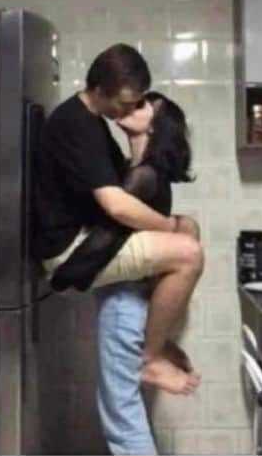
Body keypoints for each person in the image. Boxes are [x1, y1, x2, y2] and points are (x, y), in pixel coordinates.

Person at [35, 43, 204, 397]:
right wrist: (169, 227)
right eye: (126, 102)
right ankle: (151, 358)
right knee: (189, 254)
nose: (129, 109)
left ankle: (155, 336)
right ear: (99, 89)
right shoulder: (76, 124)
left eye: (138, 103)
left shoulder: (93, 124)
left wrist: (177, 225)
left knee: (189, 230)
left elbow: (120, 186)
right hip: (69, 251)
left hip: (85, 235)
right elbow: (117, 206)